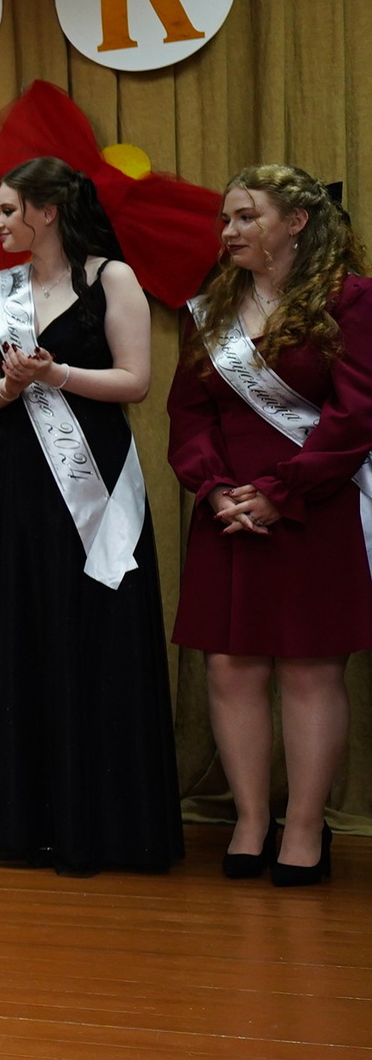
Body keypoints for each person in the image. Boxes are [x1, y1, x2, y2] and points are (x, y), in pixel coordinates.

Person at [0, 156, 180, 876]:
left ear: (46, 211)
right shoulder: (2, 287)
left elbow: (136, 381)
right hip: (21, 470)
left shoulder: (110, 277)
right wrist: (9, 385)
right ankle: (29, 821)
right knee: (25, 623)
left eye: (4, 210)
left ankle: (108, 820)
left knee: (94, 624)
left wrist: (56, 374)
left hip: (96, 476)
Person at [168, 165, 372, 887]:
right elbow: (189, 415)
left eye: (246, 217)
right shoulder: (211, 312)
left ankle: (307, 828)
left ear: (297, 223)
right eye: (227, 219)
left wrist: (283, 491)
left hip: (313, 507)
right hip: (227, 515)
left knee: (312, 672)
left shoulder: (350, 301)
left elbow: (357, 415)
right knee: (231, 668)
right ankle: (251, 820)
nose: (229, 232)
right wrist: (216, 488)